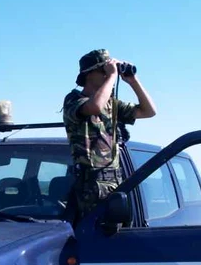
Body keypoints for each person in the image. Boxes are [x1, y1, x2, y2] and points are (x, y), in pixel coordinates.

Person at [63, 49, 157, 216]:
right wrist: (112, 76)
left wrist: (133, 81)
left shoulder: (111, 105)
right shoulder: (73, 100)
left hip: (114, 182)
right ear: (89, 74)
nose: (107, 74)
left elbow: (149, 111)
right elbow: (94, 107)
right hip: (90, 185)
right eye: (103, 71)